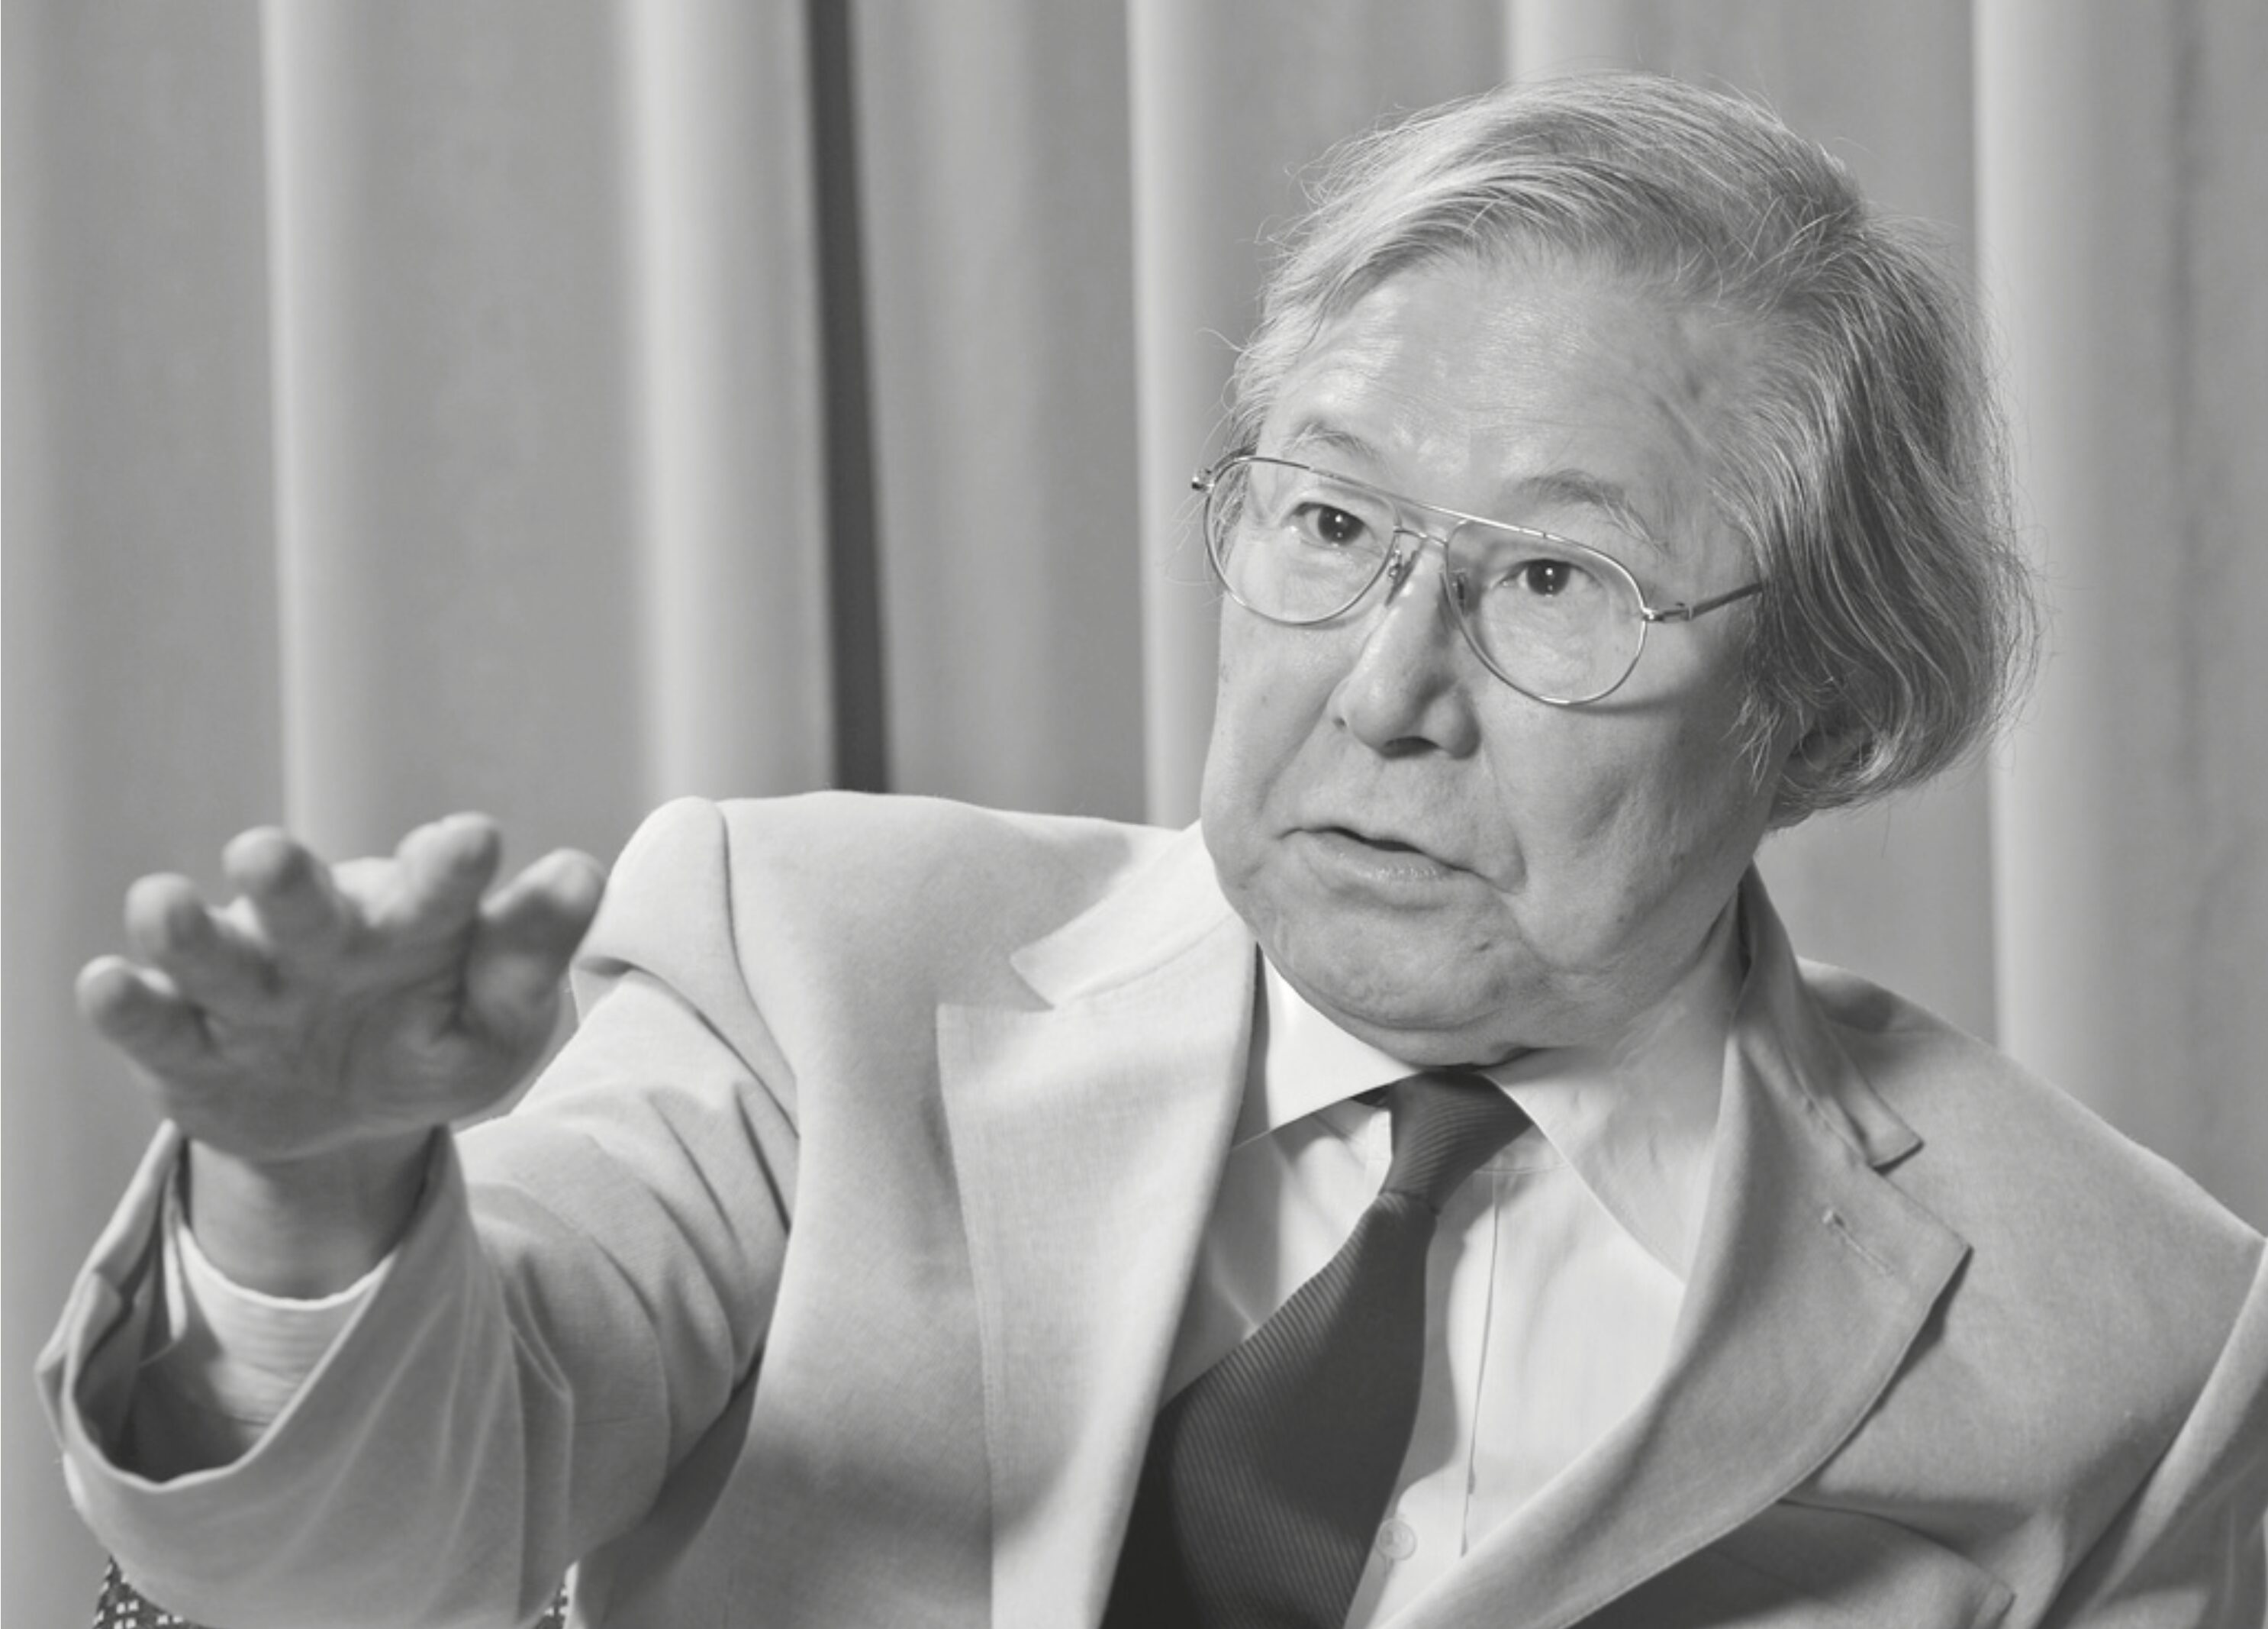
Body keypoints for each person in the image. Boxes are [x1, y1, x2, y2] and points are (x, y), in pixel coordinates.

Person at [40, 72, 2268, 1629]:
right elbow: (358, 1559)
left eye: (1554, 584)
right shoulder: (813, 958)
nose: (1385, 682)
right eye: (1327, 522)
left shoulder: (2130, 1328)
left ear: (1822, 709)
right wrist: (314, 1205)